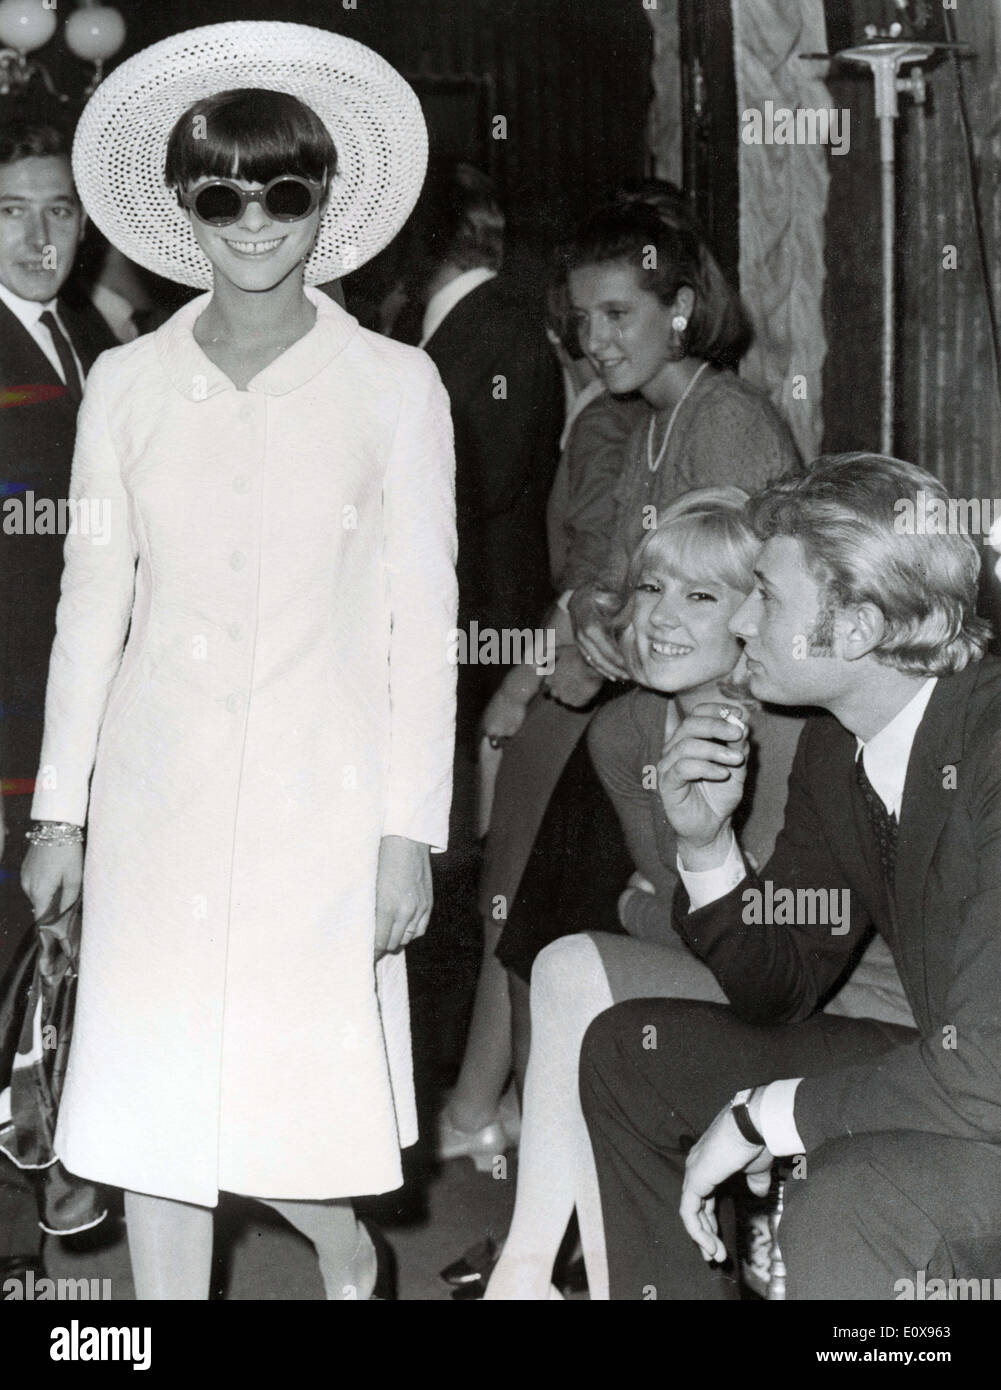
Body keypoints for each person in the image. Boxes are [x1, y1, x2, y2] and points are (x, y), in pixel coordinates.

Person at [20, 21, 457, 1300]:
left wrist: (404, 834)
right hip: (156, 792)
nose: (251, 221)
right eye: (220, 193)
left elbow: (422, 627)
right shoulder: (128, 386)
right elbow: (89, 605)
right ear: (181, 208)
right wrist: (61, 811)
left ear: (325, 200)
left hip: (324, 806)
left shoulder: (397, 388)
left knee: (291, 1086)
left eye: (283, 190)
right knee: (152, 1093)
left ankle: (339, 1250)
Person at [438, 191, 798, 1199]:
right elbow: (617, 583)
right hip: (644, 733)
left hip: (719, 758)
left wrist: (602, 654)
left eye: (617, 317)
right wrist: (595, 629)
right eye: (580, 322)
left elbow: (744, 623)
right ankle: (537, 1182)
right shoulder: (643, 421)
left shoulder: (723, 423)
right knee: (530, 879)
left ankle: (540, 1174)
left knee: (541, 886)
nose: (592, 342)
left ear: (681, 308)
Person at [579, 454, 1001, 1300]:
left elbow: (989, 1071)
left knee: (840, 1201)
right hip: (957, 1069)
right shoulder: (835, 742)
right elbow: (780, 987)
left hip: (983, 1083)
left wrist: (762, 1115)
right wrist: (705, 849)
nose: (738, 622)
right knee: (632, 1057)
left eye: (765, 596)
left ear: (854, 629)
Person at [483, 488, 911, 1300]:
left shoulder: (793, 734)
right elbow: (705, 931)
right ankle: (535, 1275)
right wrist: (664, 904)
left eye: (700, 594)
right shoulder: (624, 734)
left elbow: (734, 941)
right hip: (747, 989)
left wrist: (639, 906)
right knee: (572, 973)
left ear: (753, 615)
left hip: (853, 1014)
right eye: (650, 587)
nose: (660, 617)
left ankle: (526, 1276)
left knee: (577, 970)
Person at [0, 120, 118, 1285]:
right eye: (13, 211)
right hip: (10, 710)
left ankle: (39, 1225)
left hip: (57, 711)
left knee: (42, 980)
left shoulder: (79, 334)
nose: (42, 236)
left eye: (60, 212)